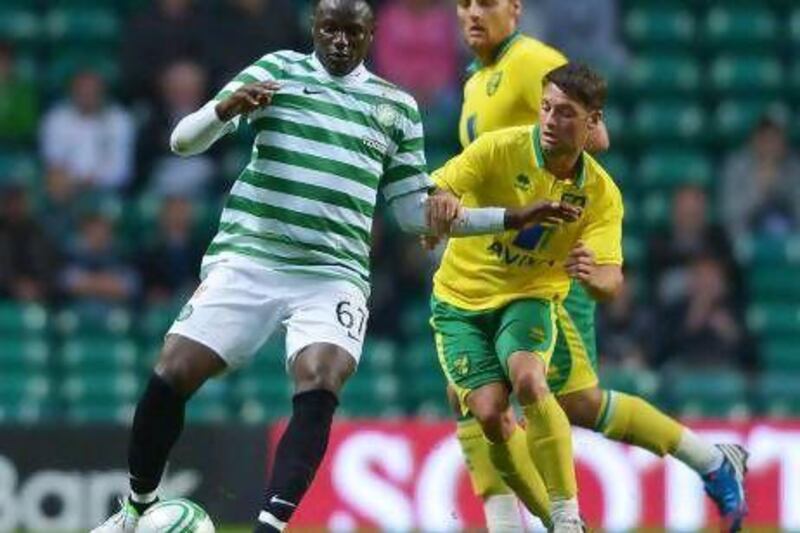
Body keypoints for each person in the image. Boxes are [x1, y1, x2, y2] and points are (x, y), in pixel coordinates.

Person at [91, 1, 561, 531]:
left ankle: (270, 525)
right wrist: (223, 111)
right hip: (251, 257)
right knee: (172, 371)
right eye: (330, 29)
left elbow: (412, 213)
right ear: (313, 28)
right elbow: (182, 142)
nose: (340, 41)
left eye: (353, 32)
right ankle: (137, 509)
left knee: (322, 378)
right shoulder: (276, 71)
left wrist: (508, 216)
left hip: (332, 274)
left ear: (371, 35)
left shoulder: (394, 106)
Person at [442, 2, 748, 531]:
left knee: (572, 400)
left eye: (486, 2)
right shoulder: (478, 79)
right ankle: (506, 523)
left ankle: (711, 461)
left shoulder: (529, 60)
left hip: (537, 273)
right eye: (464, 2)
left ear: (514, 9)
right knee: (470, 395)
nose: (472, 12)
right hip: (484, 268)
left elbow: (591, 133)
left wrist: (543, 178)